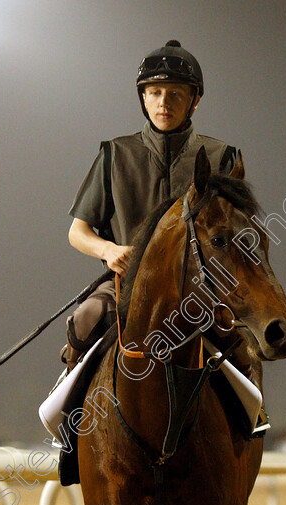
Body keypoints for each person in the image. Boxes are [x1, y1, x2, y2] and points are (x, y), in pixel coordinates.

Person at [62, 40, 237, 370]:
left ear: (194, 100)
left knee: (238, 336)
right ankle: (70, 412)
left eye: (175, 93)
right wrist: (109, 251)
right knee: (86, 317)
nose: (164, 103)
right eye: (155, 92)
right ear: (143, 98)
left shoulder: (223, 158)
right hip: (126, 288)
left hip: (201, 291)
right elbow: (78, 231)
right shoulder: (115, 154)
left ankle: (254, 418)